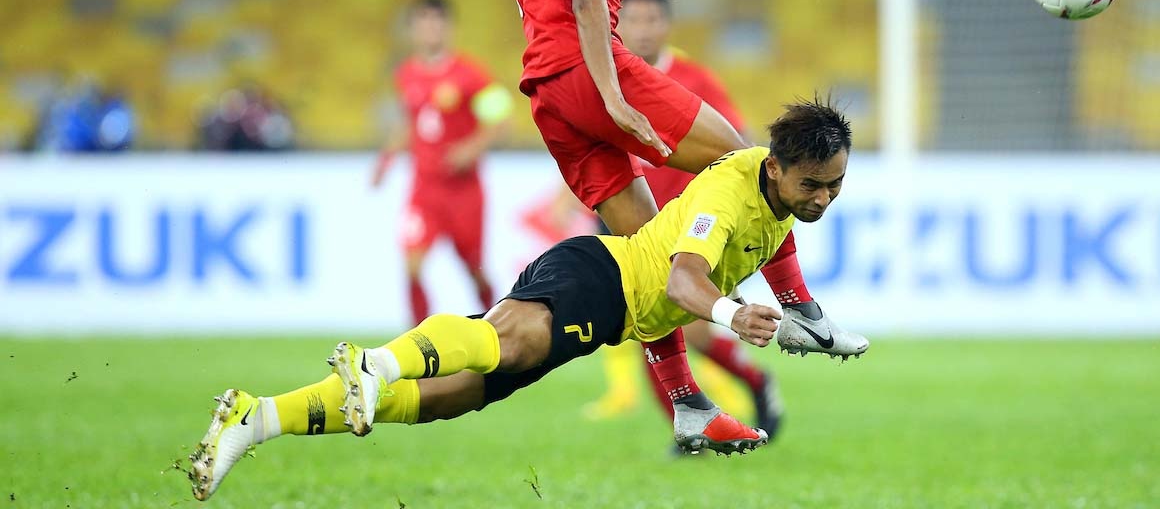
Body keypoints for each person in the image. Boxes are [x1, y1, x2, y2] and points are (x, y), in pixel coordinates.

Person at [187, 98, 868, 501]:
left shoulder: (781, 202)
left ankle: (261, 418)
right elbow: (681, 284)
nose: (823, 199)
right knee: (509, 338)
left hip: (613, 315)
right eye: (814, 185)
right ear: (775, 166)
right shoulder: (728, 191)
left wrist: (812, 318)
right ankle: (377, 364)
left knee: (453, 398)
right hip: (597, 276)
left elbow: (777, 251)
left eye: (834, 186)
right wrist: (732, 314)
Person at [514, 0, 830, 449]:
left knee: (647, 255)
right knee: (754, 167)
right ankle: (799, 306)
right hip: (583, 73)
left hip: (548, 94)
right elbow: (590, 6)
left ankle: (687, 403)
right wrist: (614, 100)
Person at [584, 0, 781, 438]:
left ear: (667, 25)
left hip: (692, 228)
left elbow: (738, 146)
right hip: (635, 220)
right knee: (643, 328)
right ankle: (690, 424)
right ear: (616, 25)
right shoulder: (605, 79)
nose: (644, 30)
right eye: (633, 20)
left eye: (653, 20)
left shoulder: (695, 78)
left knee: (682, 329)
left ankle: (747, 386)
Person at [372, 0, 513, 321]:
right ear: (412, 30)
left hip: (464, 193)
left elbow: (503, 120)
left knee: (474, 270)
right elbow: (412, 123)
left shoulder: (470, 75)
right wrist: (386, 161)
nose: (431, 29)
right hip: (425, 190)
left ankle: (497, 322)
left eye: (437, 21)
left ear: (449, 28)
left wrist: (471, 148)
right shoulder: (406, 74)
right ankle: (418, 340)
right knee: (412, 265)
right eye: (423, 22)